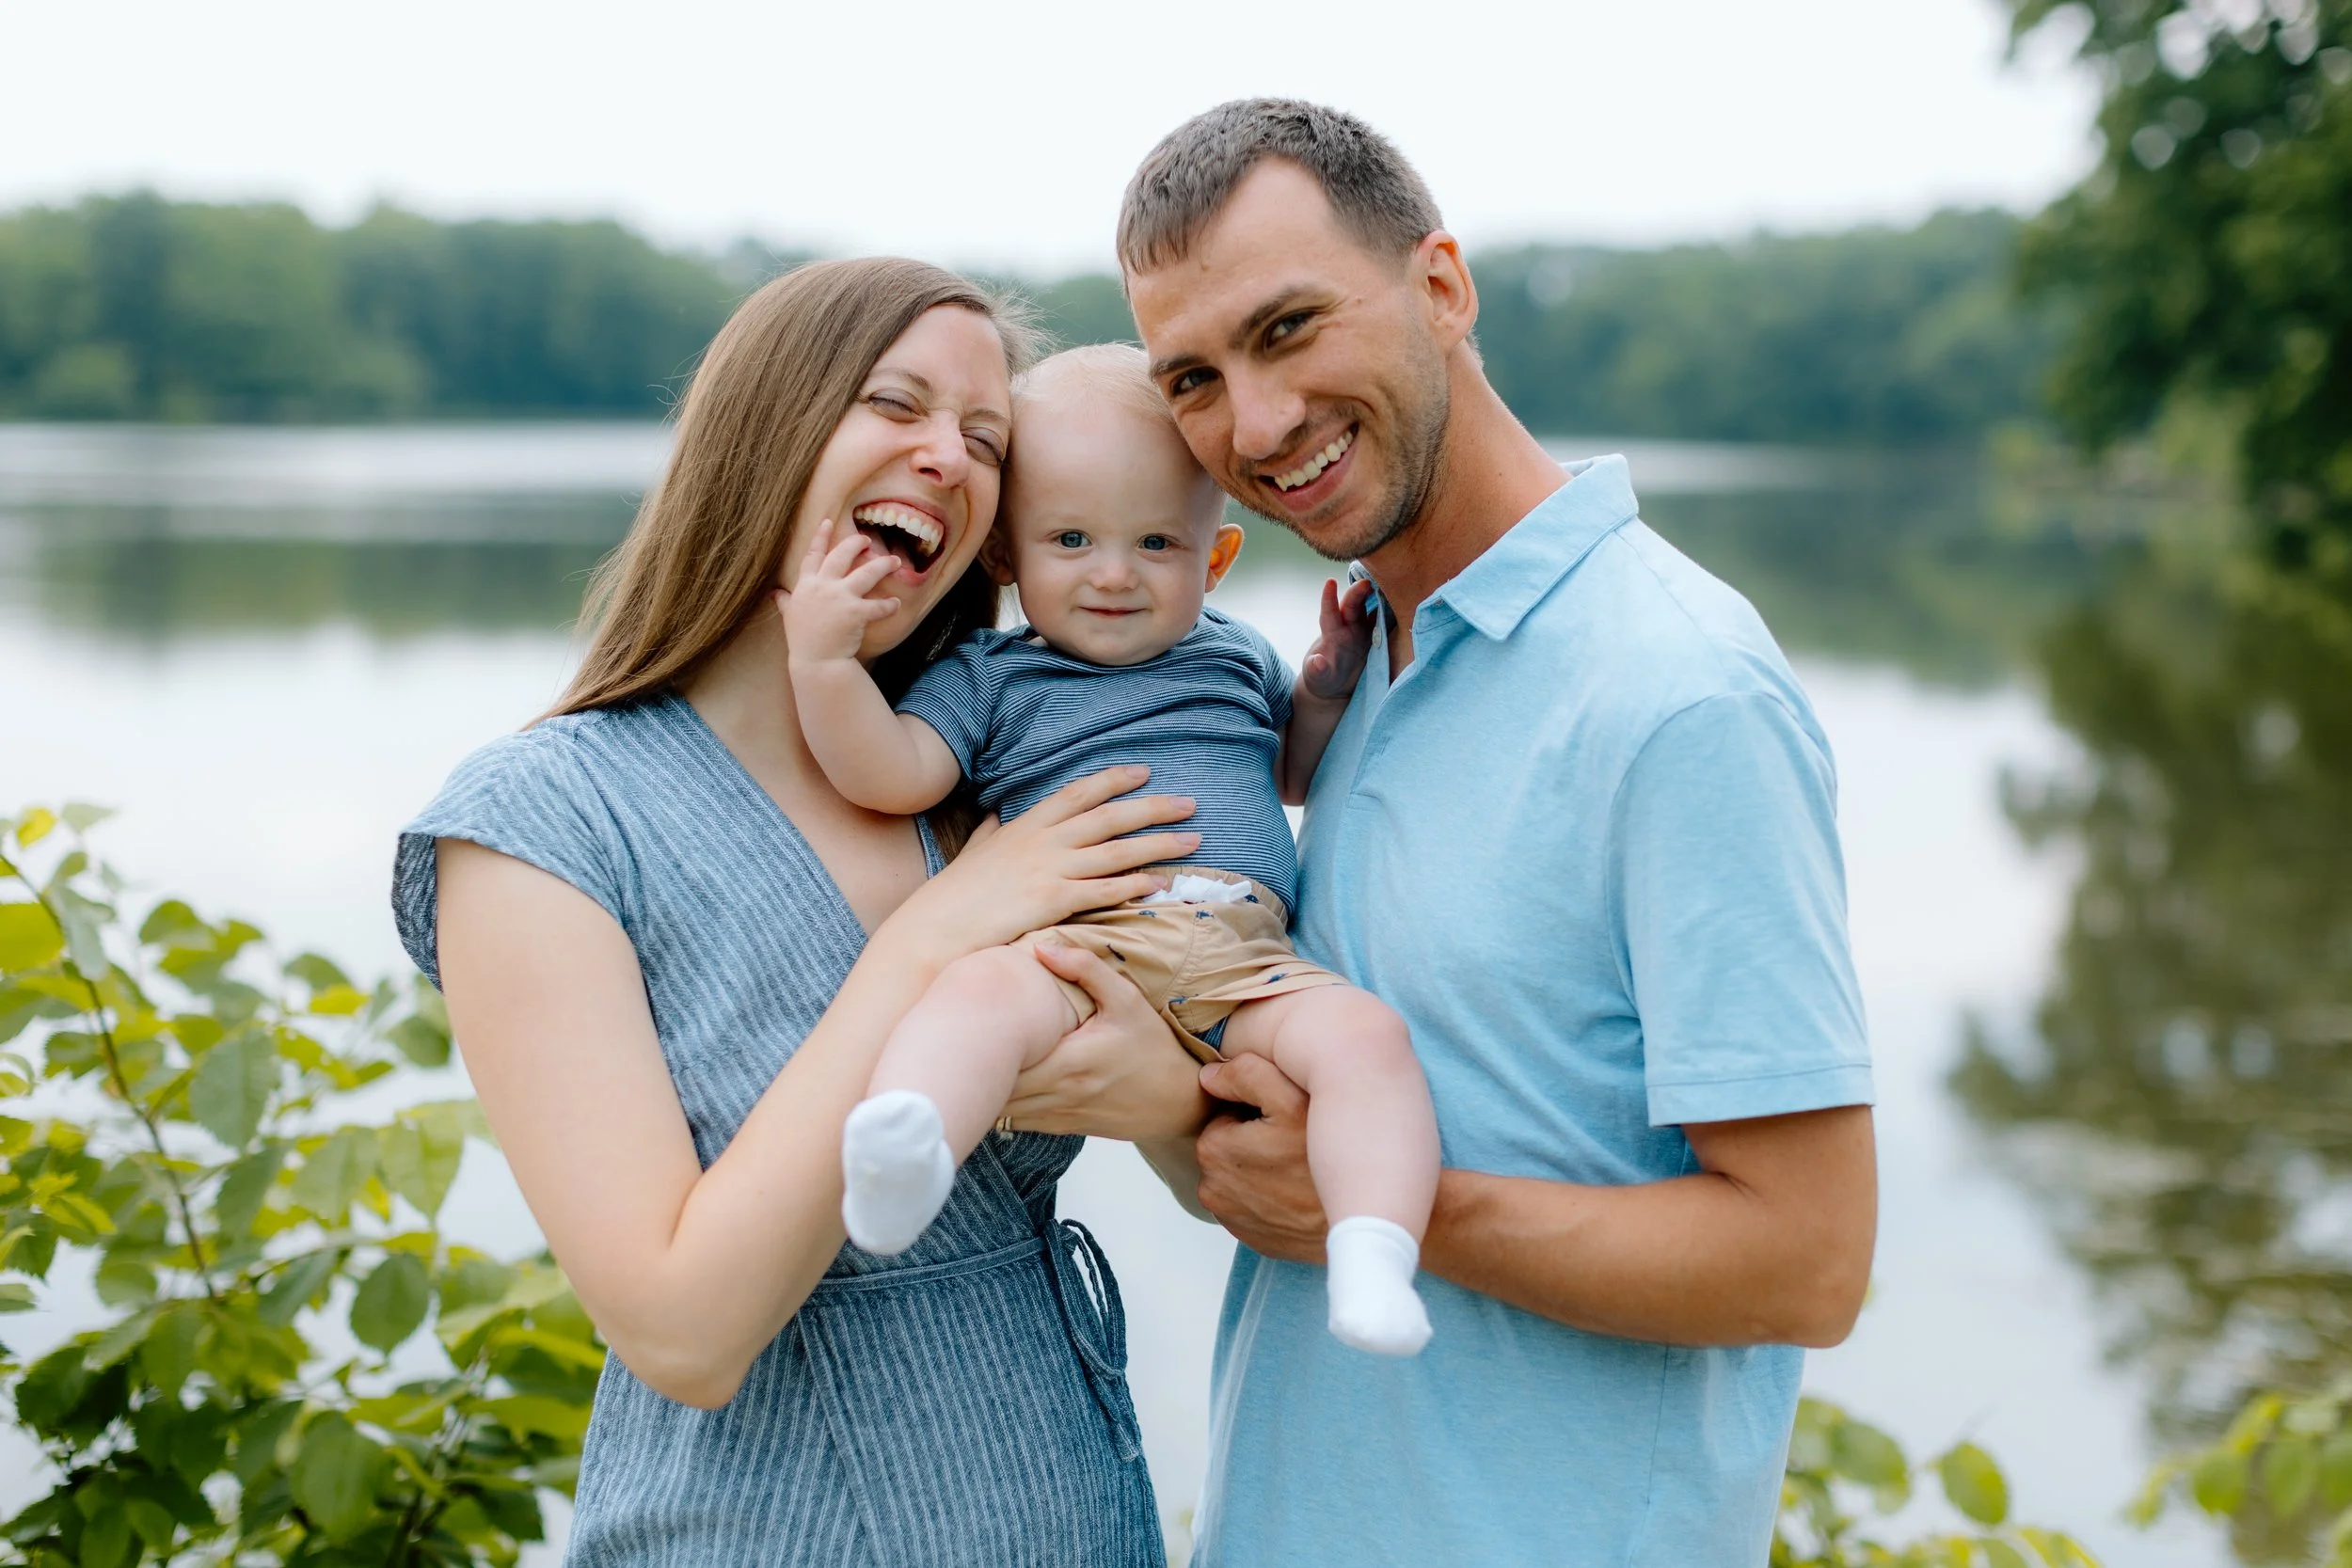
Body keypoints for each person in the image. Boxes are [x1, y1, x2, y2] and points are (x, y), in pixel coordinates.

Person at [1118, 101, 1881, 1564]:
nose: (1256, 423)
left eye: (1289, 328)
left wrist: (1394, 1206)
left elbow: (1809, 1258)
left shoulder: (1677, 689)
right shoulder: (1374, 663)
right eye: (1194, 376)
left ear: (1444, 289)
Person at [391, 259, 1211, 1566]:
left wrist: (1175, 1089)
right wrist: (935, 940)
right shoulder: (542, 823)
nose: (947, 455)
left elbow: (1207, 1157)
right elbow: (682, 1328)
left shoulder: (987, 774)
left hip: (1076, 1507)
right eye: (897, 402)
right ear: (767, 429)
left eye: (985, 438)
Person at [783, 343, 1439, 1356]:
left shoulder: (1230, 652)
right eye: (1072, 538)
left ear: (1212, 559)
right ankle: (906, 1146)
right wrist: (823, 664)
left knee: (1367, 1042)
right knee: (974, 1000)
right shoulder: (991, 677)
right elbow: (892, 771)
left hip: (1245, 960)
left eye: (1156, 544)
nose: (1113, 574)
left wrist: (1322, 683)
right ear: (1007, 553)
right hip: (1078, 951)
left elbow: (1295, 774)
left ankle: (1372, 1251)